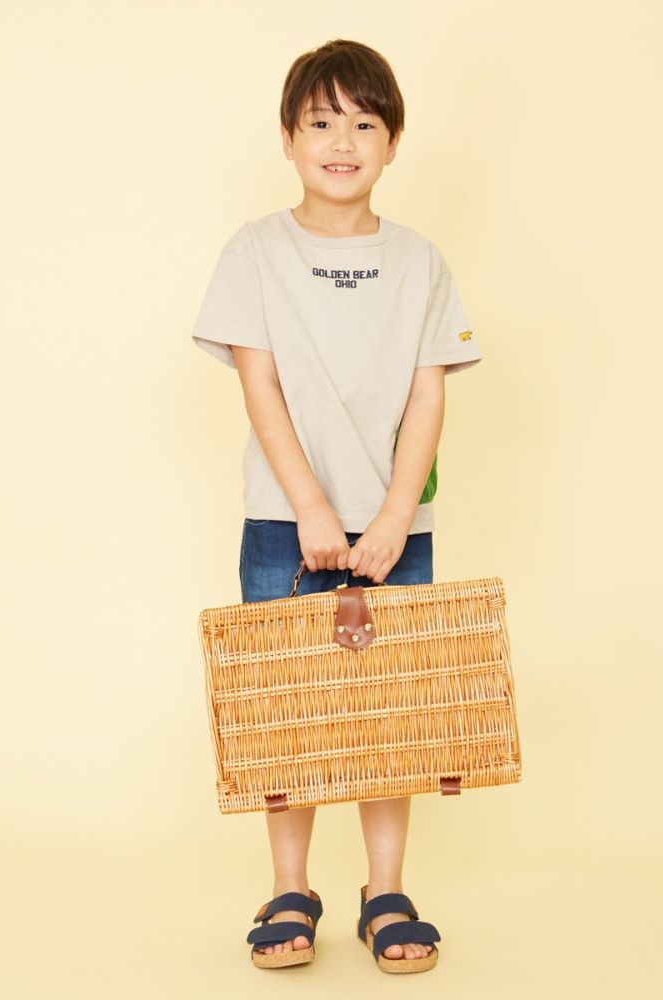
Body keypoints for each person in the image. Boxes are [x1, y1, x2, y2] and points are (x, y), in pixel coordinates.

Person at [190, 38, 482, 974]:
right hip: (286, 520)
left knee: (388, 711)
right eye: (321, 122)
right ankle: (290, 887)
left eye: (364, 122)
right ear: (288, 137)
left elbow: (429, 393)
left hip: (397, 526)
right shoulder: (255, 251)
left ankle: (384, 889)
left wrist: (392, 516)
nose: (342, 141)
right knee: (287, 706)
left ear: (393, 142)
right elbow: (260, 385)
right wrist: (312, 506)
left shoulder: (421, 261)